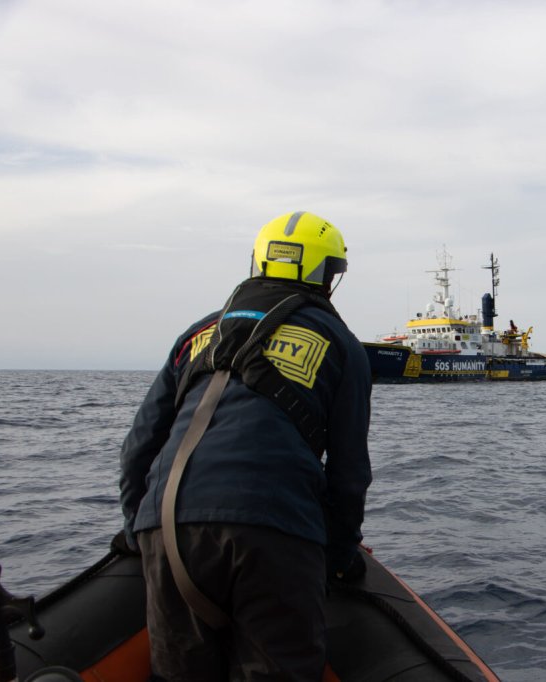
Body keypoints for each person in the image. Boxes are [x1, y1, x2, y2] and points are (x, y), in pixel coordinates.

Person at [118, 211, 372, 680]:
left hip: (167, 529)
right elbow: (349, 473)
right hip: (273, 532)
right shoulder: (341, 344)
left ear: (257, 262)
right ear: (326, 276)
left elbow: (139, 445)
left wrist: (138, 527)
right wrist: (336, 559)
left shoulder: (195, 335)